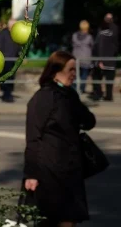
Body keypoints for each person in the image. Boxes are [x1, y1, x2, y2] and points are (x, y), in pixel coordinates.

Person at [24, 51, 96, 227]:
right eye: (70, 69)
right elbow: (33, 138)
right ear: (56, 70)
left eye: (75, 70)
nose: (74, 74)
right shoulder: (42, 97)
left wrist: (74, 102)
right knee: (52, 219)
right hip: (48, 172)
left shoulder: (70, 95)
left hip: (71, 169)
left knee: (69, 218)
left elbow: (89, 121)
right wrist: (31, 174)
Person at [90, 13, 118, 102]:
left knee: (97, 77)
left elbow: (99, 46)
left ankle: (98, 94)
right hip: (111, 59)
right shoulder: (116, 29)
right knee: (109, 79)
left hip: (102, 59)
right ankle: (109, 96)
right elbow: (117, 45)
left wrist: (100, 60)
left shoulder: (102, 31)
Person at [0, 19, 21, 103]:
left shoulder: (16, 34)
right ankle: (7, 95)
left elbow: (18, 46)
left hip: (12, 59)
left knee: (11, 77)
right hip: (5, 60)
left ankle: (8, 94)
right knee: (5, 77)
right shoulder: (3, 33)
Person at [71, 20, 94, 93]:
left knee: (75, 75)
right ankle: (81, 89)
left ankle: (74, 88)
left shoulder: (74, 35)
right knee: (84, 75)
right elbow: (92, 46)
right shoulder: (89, 37)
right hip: (85, 59)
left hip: (76, 58)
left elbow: (72, 44)